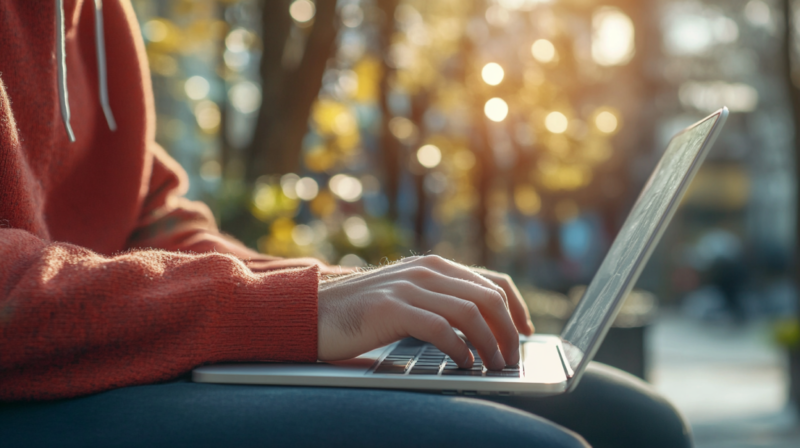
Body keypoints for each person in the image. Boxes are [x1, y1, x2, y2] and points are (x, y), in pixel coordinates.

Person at [0, 1, 691, 447]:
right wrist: (284, 311)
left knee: (636, 424)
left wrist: (349, 294)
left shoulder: (95, 16)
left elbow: (152, 221)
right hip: (24, 386)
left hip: (97, 350)